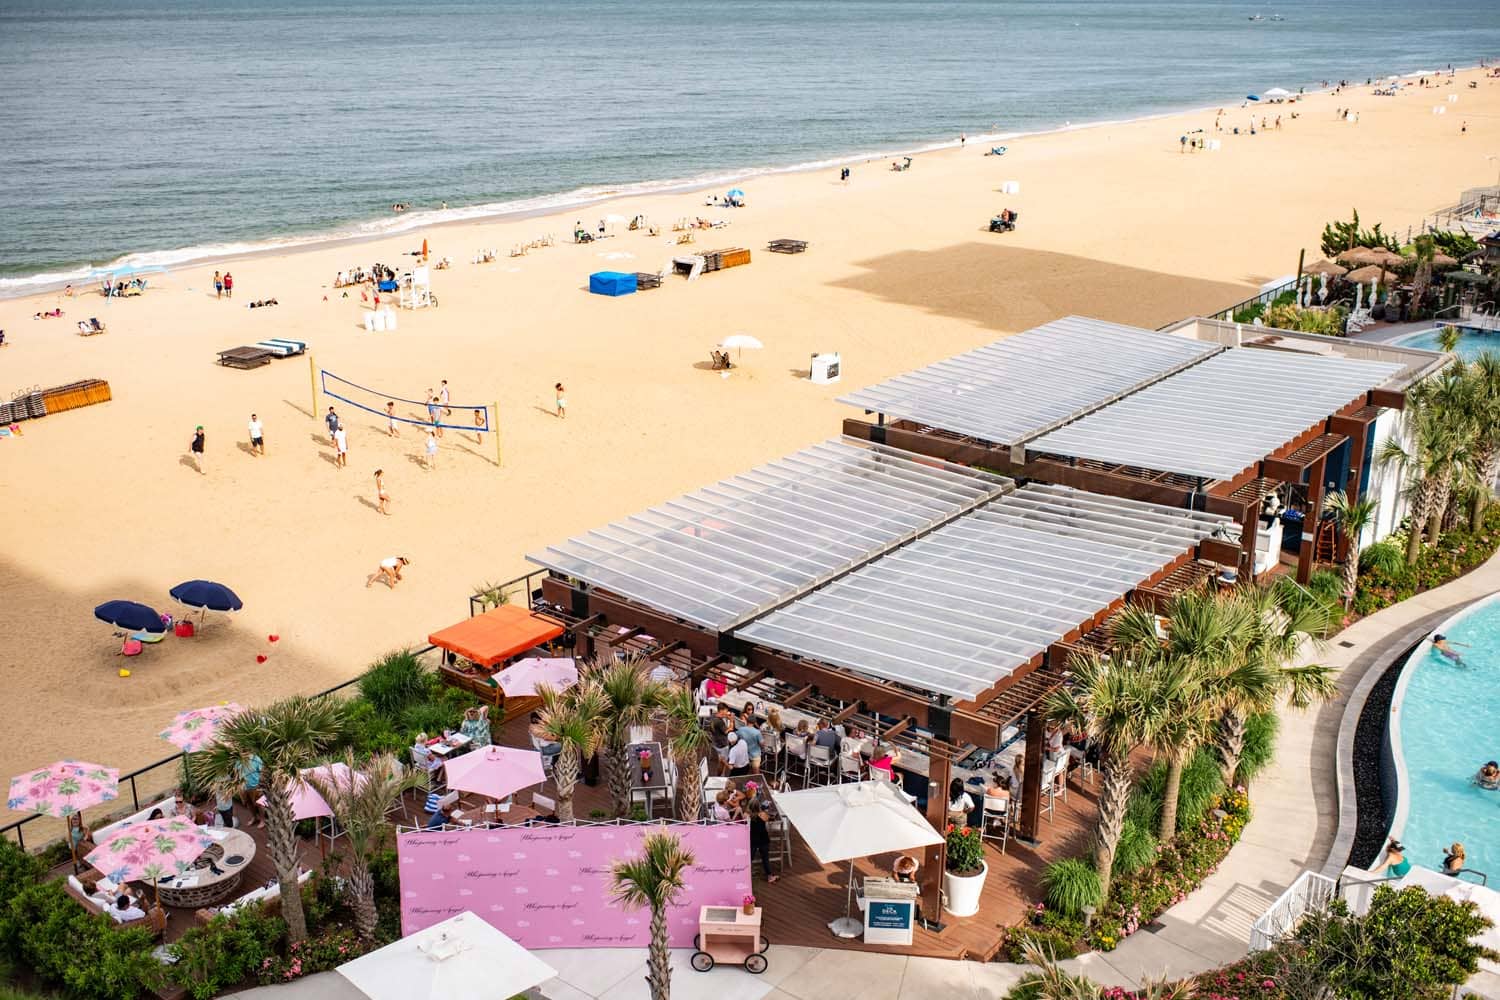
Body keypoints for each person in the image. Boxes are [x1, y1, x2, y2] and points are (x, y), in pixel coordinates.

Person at [748, 801, 779, 883]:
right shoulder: (763, 814)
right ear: (759, 807)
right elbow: (770, 818)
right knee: (765, 858)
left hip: (753, 839)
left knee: (750, 858)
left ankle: (746, 876)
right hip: (763, 839)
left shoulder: (747, 815)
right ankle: (769, 876)